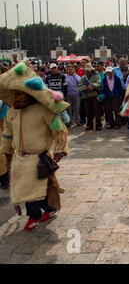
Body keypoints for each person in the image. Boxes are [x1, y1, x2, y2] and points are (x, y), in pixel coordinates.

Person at [0, 61, 68, 230]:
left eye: (19, 95)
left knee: (33, 189)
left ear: (28, 94)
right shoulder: (12, 112)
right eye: (14, 95)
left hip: (38, 157)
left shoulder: (43, 110)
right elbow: (7, 134)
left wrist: (60, 150)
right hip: (19, 158)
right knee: (29, 189)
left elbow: (59, 131)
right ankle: (49, 208)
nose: (16, 98)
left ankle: (34, 215)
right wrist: (5, 152)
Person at [78, 63, 102, 131]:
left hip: (94, 95)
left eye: (88, 70)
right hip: (86, 96)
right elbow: (79, 86)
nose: (87, 71)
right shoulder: (83, 77)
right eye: (86, 70)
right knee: (88, 111)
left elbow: (99, 83)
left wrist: (92, 85)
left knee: (96, 110)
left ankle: (98, 124)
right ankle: (89, 124)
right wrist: (83, 88)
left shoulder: (96, 75)